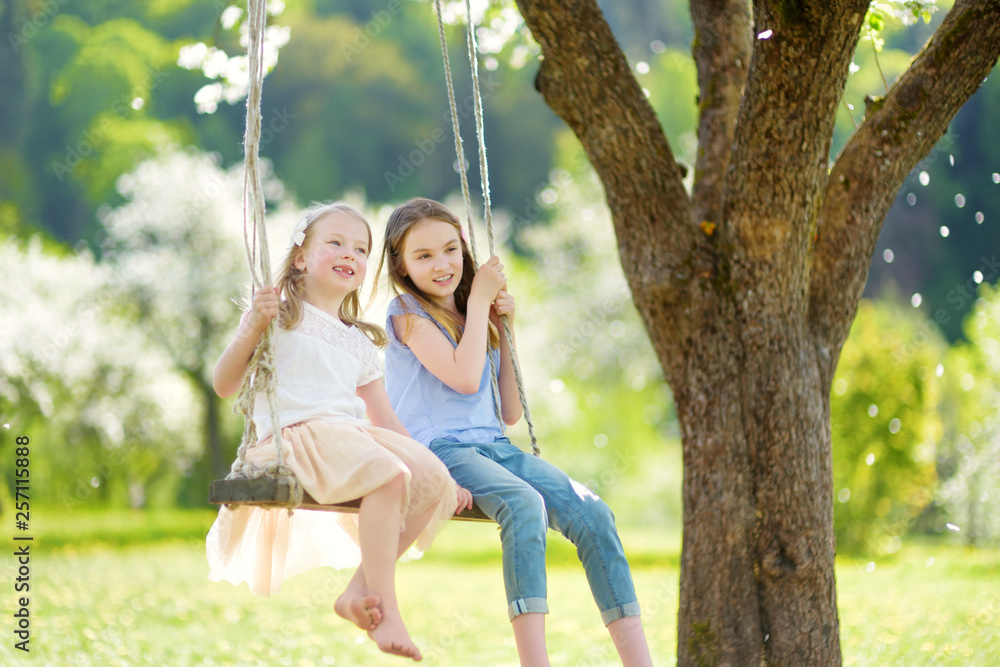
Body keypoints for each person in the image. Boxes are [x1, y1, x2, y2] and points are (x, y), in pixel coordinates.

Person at [377, 197, 653, 666]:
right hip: (442, 452)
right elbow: (462, 378)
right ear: (402, 268)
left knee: (595, 514)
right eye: (423, 256)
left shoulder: (473, 316)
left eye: (449, 249)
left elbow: (507, 411)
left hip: (496, 448)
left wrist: (504, 329)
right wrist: (483, 297)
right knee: (524, 504)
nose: (442, 264)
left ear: (463, 248)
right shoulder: (406, 312)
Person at [207, 201, 472, 661]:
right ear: (301, 257)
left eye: (361, 248)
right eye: (335, 243)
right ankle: (386, 609)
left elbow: (385, 420)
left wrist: (444, 476)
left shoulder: (359, 341)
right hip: (294, 439)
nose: (350, 253)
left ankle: (356, 593)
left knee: (426, 477)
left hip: (349, 437)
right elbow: (225, 383)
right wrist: (252, 325)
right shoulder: (278, 316)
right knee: (390, 476)